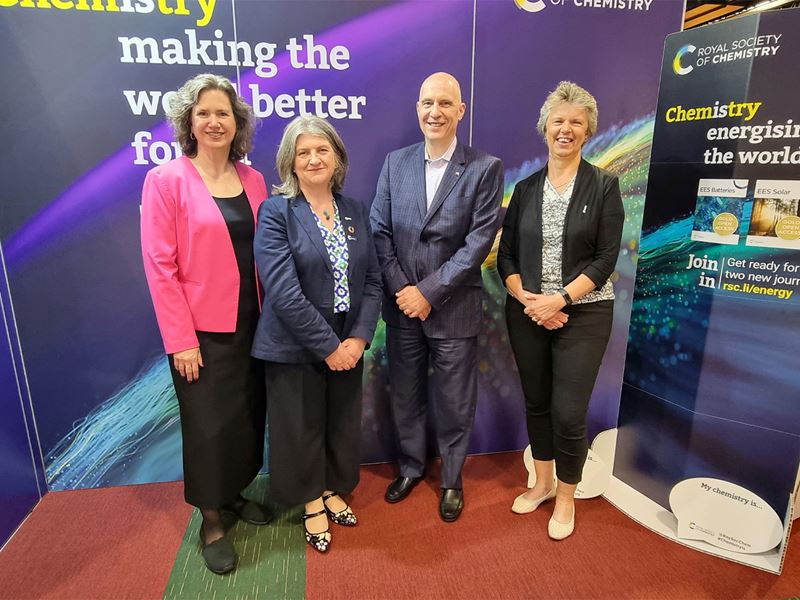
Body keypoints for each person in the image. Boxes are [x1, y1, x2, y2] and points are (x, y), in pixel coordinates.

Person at [141, 74, 270, 574]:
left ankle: (235, 493)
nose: (214, 122)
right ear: (188, 124)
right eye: (204, 114)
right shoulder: (166, 180)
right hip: (200, 335)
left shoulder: (254, 179)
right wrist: (181, 341)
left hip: (254, 324)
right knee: (206, 427)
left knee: (244, 416)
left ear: (237, 123)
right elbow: (160, 266)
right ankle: (211, 517)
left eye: (224, 114)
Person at [370, 72, 504, 522]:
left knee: (455, 400)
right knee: (405, 395)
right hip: (402, 306)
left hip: (453, 307)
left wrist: (428, 292)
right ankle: (410, 467)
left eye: (445, 104)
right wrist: (404, 291)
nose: (435, 112)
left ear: (460, 111)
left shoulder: (485, 168)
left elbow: (479, 241)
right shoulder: (395, 163)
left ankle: (451, 480)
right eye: (428, 103)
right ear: (417, 109)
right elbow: (379, 231)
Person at [497, 81, 624, 540]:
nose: (566, 129)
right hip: (528, 311)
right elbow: (506, 254)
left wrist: (561, 298)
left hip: (584, 313)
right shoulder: (526, 189)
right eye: (558, 121)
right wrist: (527, 298)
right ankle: (544, 483)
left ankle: (567, 497)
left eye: (576, 122)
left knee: (568, 412)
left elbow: (607, 258)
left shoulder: (605, 185)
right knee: (537, 403)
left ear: (588, 130)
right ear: (545, 128)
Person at [251, 115, 381, 553]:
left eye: (322, 150)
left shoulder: (355, 210)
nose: (313, 159)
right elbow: (283, 292)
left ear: (337, 157)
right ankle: (311, 501)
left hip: (349, 341)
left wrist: (359, 339)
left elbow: (374, 281)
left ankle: (331, 486)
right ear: (290, 161)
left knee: (340, 424)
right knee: (301, 427)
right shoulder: (275, 212)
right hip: (295, 344)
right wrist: (329, 347)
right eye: (303, 152)